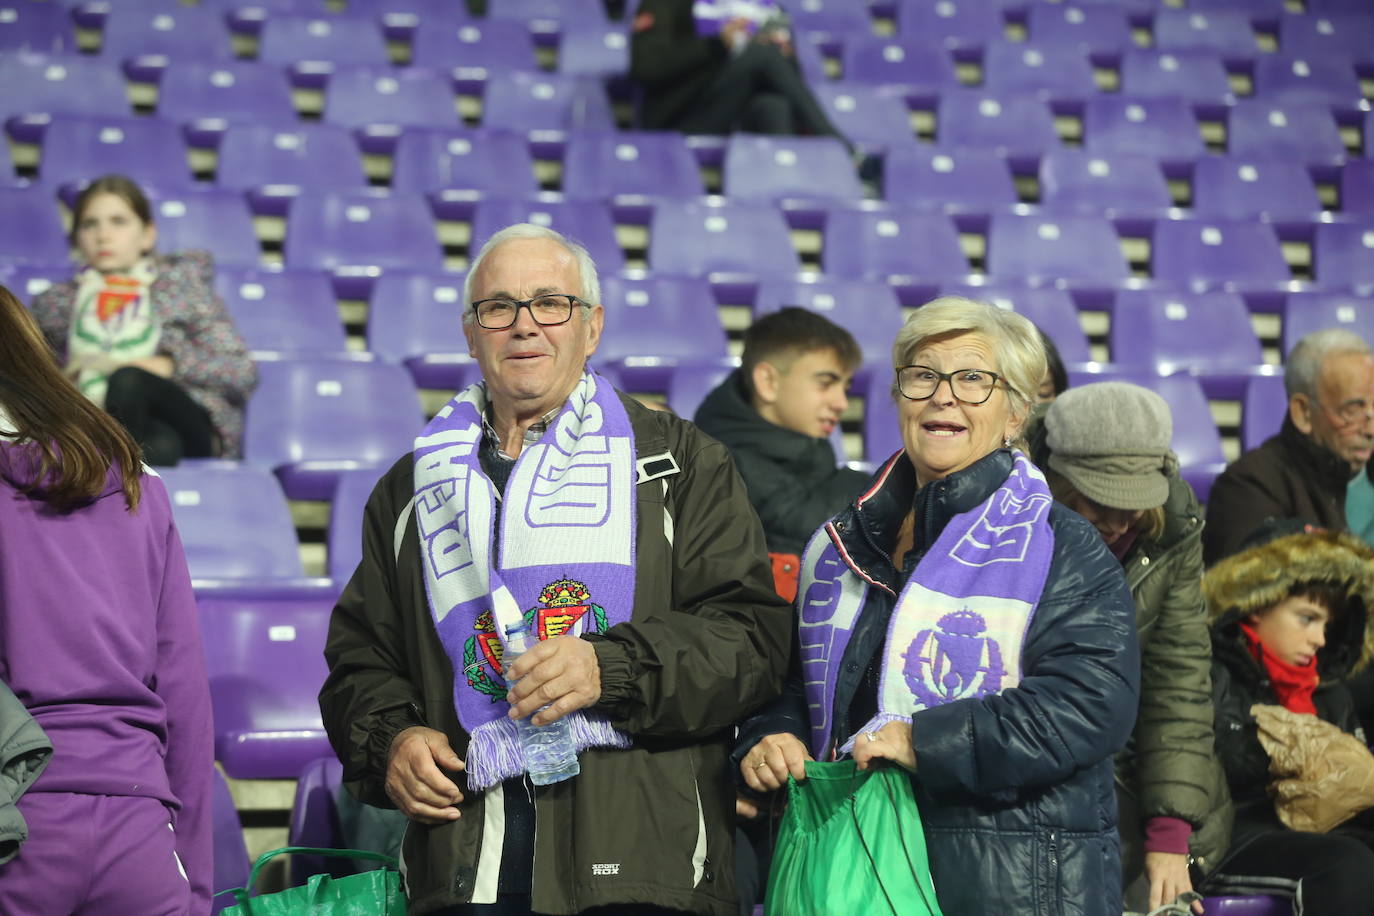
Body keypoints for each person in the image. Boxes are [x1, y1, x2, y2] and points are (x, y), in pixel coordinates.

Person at [318, 224, 792, 916]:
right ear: (471, 333)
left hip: (644, 870)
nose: (524, 325)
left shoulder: (679, 465)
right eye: (499, 307)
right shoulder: (411, 490)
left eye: (551, 303)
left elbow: (750, 643)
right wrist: (393, 738)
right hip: (464, 869)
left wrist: (611, 668)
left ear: (591, 326)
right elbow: (360, 661)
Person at [736, 296, 1141, 915]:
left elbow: (1091, 703)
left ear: (1015, 414)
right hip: (854, 868)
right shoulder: (843, 542)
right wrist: (773, 737)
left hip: (1007, 882)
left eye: (974, 379)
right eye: (922, 375)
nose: (943, 396)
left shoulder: (1062, 543)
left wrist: (923, 739)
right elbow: (800, 683)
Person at [0, 285, 213, 913]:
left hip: (17, 826)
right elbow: (185, 697)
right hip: (143, 829)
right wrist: (195, 885)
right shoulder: (137, 481)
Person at [1029, 382, 1232, 914]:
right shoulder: (1007, 515)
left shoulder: (1175, 532)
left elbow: (1178, 680)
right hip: (1030, 762)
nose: (1121, 523)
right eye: (1101, 502)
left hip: (1132, 773)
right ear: (1058, 480)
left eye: (1136, 506)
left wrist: (1168, 832)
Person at [1200, 523, 1374, 912]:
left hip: (1323, 833)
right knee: (1348, 866)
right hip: (1234, 835)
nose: (1320, 640)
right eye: (1307, 619)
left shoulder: (1328, 689)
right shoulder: (1208, 671)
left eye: (1327, 625)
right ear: (1257, 603)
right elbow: (1198, 766)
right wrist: (1281, 750)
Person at [30, 174, 257, 466]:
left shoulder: (182, 289)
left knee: (128, 379)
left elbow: (241, 371)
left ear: (148, 234)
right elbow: (28, 376)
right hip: (97, 418)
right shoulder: (57, 303)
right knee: (161, 447)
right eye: (90, 224)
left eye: (119, 221)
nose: (103, 235)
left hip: (184, 418)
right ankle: (115, 478)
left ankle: (102, 477)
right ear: (76, 238)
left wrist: (170, 365)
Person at [694, 307, 867, 599]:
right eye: (825, 383)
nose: (841, 402)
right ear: (768, 382)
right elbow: (799, 526)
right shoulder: (719, 461)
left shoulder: (805, 453)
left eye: (845, 387)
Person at [1203, 328, 1374, 566]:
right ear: (1303, 412)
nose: (1370, 430)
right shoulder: (1248, 485)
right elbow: (1245, 590)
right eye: (1352, 410)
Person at [630, 0, 853, 146]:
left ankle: (780, 196)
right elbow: (646, 67)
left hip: (742, 115)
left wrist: (786, 56)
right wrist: (716, 44)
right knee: (761, 54)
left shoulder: (767, 8)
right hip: (683, 118)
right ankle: (836, 144)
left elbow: (787, 80)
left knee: (773, 105)